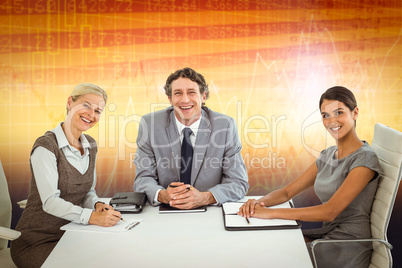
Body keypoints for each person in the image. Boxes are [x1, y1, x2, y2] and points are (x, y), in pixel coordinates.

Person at [238, 86, 381, 268]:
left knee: (269, 257)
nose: (331, 121)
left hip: (346, 244)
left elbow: (329, 212)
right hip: (326, 235)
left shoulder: (364, 158)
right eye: (325, 115)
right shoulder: (328, 155)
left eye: (339, 112)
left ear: (355, 113)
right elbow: (287, 192)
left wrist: (270, 214)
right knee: (266, 243)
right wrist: (258, 204)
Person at [10, 83, 122, 268]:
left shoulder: (90, 145)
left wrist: (97, 204)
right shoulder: (46, 146)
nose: (91, 115)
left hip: (72, 235)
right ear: (70, 102)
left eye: (97, 111)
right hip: (37, 241)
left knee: (113, 257)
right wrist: (92, 217)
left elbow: (87, 192)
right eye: (86, 105)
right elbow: (50, 202)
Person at [133, 67, 249, 209]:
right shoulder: (150, 125)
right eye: (178, 93)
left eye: (191, 92)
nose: (185, 99)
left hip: (210, 213)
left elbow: (238, 182)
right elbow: (143, 179)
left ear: (203, 96)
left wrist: (206, 197)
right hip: (163, 212)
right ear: (170, 99)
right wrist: (162, 195)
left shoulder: (225, 126)